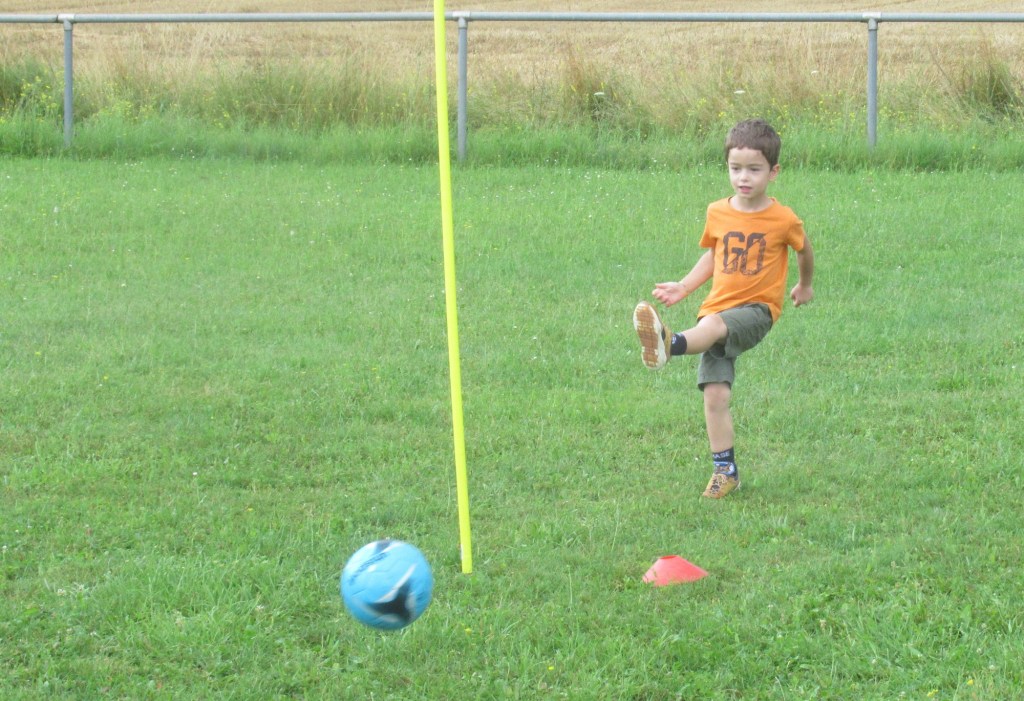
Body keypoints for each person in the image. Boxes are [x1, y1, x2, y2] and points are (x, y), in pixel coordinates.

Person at [633, 118, 814, 499]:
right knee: (715, 395)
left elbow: (804, 250)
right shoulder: (717, 211)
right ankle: (725, 472)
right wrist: (684, 286)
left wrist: (804, 284)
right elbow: (715, 255)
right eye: (735, 168)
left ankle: (671, 343)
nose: (743, 177)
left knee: (713, 325)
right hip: (715, 309)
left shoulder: (783, 219)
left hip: (757, 311)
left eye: (754, 169)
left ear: (774, 172)